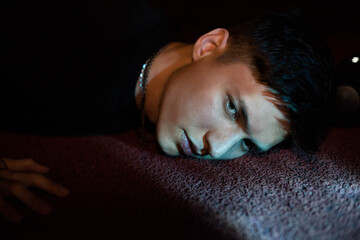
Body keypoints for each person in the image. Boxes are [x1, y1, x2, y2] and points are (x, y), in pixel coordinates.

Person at [0, 1, 334, 222]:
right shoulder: (96, 20)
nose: (216, 148)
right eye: (232, 109)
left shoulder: (145, 100)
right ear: (208, 46)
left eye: (246, 145)